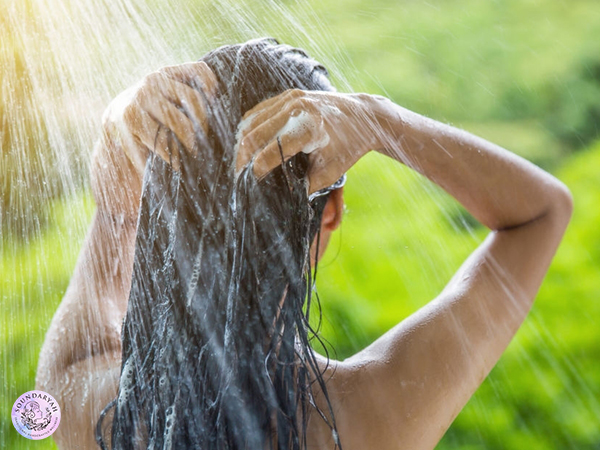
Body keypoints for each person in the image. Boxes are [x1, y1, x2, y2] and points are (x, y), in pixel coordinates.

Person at [36, 38, 573, 450]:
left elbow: (114, 211)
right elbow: (542, 211)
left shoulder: (80, 400)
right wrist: (379, 119)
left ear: (167, 212)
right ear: (331, 214)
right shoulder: (367, 417)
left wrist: (120, 120)